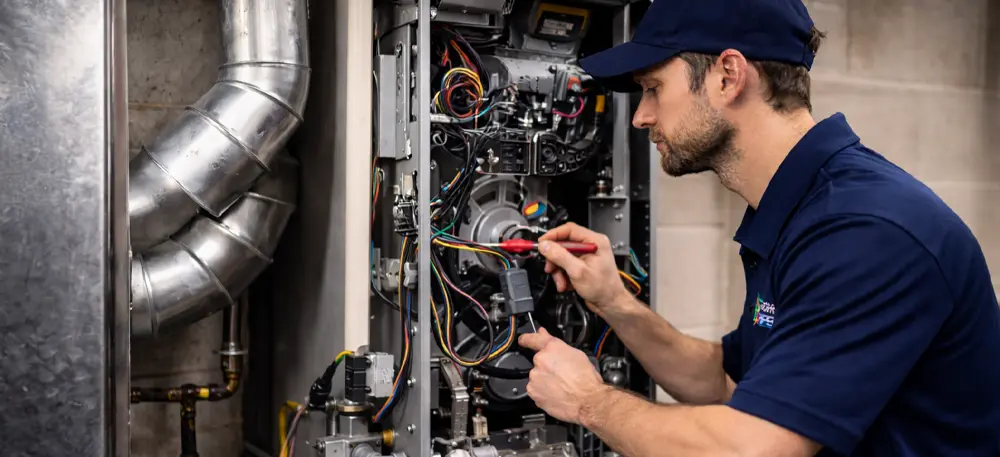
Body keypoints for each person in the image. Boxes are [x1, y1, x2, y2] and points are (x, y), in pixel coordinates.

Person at [516, 0, 1000, 456]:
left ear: (729, 76)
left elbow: (755, 447)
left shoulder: (866, 231)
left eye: (654, 88)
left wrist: (588, 402)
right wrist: (614, 302)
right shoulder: (798, 207)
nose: (642, 117)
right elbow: (725, 382)